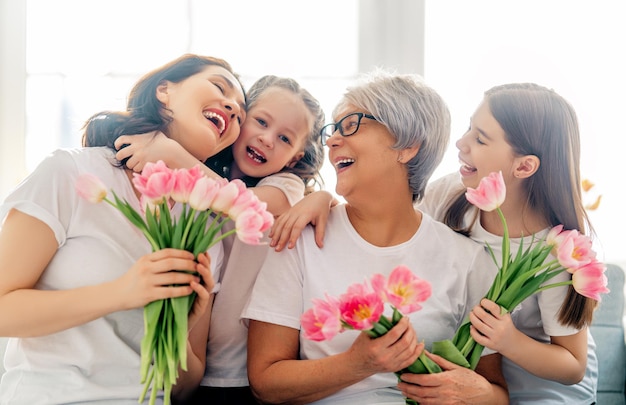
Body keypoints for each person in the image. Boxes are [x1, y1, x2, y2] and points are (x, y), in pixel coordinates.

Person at [270, 83, 598, 404]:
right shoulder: (456, 195)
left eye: (480, 138)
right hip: (491, 371)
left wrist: (507, 340)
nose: (461, 142)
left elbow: (572, 366)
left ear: (524, 165)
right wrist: (322, 198)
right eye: (469, 128)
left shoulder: (558, 253)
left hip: (549, 386)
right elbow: (389, 211)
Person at [242, 70, 509, 404]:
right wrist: (357, 365)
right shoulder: (300, 239)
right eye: (333, 129)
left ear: (407, 145)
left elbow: (498, 394)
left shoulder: (467, 261)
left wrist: (477, 393)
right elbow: (265, 382)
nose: (332, 140)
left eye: (351, 124)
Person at [0, 53, 246, 405]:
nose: (232, 108)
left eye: (239, 112)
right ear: (165, 90)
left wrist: (180, 323)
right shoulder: (70, 172)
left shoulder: (204, 229)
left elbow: (185, 386)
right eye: (220, 87)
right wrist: (123, 292)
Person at [114, 74, 325, 404]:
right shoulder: (206, 168)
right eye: (260, 121)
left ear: (295, 159)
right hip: (189, 360)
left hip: (239, 372)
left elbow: (240, 205)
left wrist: (168, 151)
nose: (268, 139)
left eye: (285, 139)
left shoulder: (286, 187)